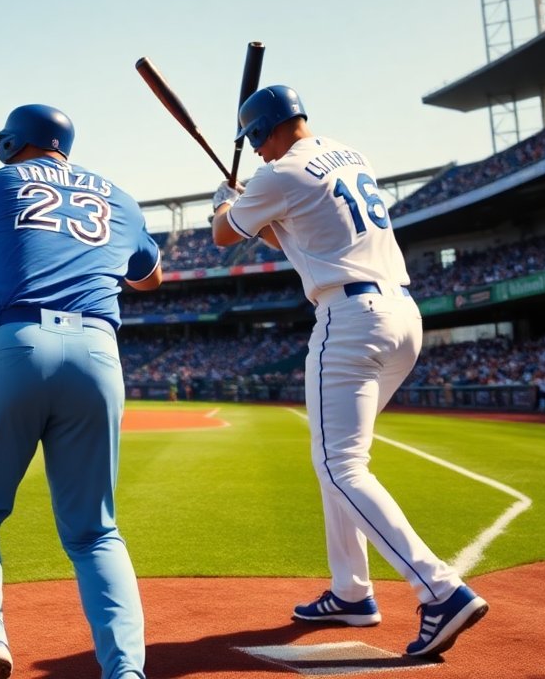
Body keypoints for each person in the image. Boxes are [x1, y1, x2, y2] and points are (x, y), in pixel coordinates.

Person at [209, 85, 489, 659]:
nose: (255, 151)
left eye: (255, 141)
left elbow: (222, 236)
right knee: (338, 460)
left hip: (349, 318)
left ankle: (440, 590)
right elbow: (293, 232)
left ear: (264, 130)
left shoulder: (278, 173)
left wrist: (224, 205)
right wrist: (246, 206)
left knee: (339, 465)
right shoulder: (348, 154)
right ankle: (351, 592)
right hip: (402, 317)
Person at [0, 103, 163, 679]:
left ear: (12, 142)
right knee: (96, 533)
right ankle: (126, 671)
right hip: (98, 353)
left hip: (19, 342)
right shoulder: (121, 197)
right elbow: (150, 277)